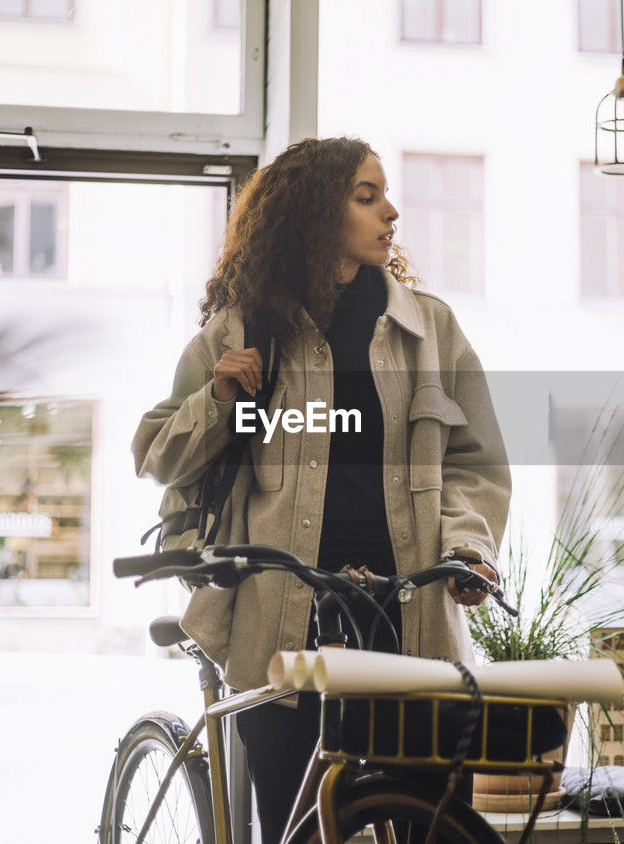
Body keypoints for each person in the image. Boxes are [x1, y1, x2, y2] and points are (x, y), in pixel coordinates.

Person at [132, 136, 510, 843]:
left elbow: (474, 463)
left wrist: (469, 547)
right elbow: (156, 452)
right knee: (299, 827)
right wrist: (217, 398)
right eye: (366, 197)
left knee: (424, 820)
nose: (390, 212)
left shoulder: (431, 331)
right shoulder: (246, 329)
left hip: (410, 620)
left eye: (385, 195)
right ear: (311, 216)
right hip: (283, 622)